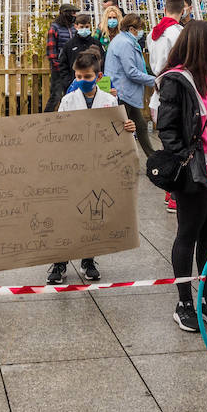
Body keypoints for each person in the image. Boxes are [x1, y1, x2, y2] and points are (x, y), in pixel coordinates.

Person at [153, 22, 207, 331]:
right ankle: (184, 301)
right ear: (201, 44)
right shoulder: (176, 80)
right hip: (196, 170)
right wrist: (185, 156)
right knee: (188, 234)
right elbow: (166, 127)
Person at [48, 49, 119, 285]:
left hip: (97, 166)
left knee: (93, 213)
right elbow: (58, 131)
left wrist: (127, 127)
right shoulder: (68, 101)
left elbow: (115, 132)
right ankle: (59, 262)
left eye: (87, 77)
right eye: (77, 77)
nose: (81, 81)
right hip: (72, 165)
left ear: (98, 77)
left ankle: (88, 259)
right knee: (66, 213)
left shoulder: (109, 101)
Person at [104, 13, 157, 154]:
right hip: (123, 92)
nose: (141, 33)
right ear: (132, 29)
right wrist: (154, 81)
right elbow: (131, 72)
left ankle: (152, 159)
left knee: (141, 126)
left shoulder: (122, 40)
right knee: (119, 130)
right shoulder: (125, 43)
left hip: (124, 92)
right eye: (140, 29)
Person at [147, 0, 188, 109]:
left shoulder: (152, 33)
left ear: (165, 10)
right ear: (183, 11)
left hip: (159, 83)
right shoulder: (181, 33)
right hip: (177, 85)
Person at [44, 3, 81, 113]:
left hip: (73, 68)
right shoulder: (55, 28)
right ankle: (46, 118)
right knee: (55, 96)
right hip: (59, 69)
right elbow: (51, 50)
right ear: (66, 14)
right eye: (73, 13)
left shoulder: (73, 28)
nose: (75, 15)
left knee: (71, 95)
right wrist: (58, 65)